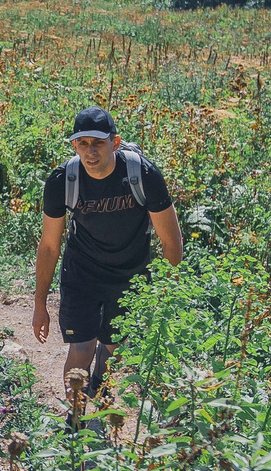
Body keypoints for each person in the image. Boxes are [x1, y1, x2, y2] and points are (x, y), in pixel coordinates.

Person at [32, 106, 182, 412]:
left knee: (112, 348)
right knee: (82, 346)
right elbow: (49, 246)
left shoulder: (142, 174)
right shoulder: (64, 180)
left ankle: (101, 389)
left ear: (115, 143)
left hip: (131, 274)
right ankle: (75, 421)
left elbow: (171, 242)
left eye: (98, 143)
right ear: (74, 145)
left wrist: (163, 293)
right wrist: (39, 304)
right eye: (82, 143)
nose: (90, 152)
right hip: (82, 273)